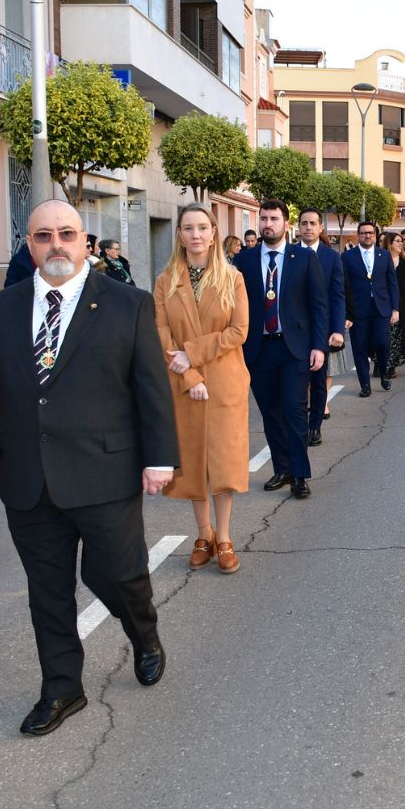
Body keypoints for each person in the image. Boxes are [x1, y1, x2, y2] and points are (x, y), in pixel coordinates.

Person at [0, 199, 178, 736]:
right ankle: (61, 689)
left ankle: (144, 634)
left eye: (67, 234)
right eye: (44, 235)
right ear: (29, 245)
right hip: (28, 479)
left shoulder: (127, 304)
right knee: (47, 589)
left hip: (105, 473)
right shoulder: (1, 310)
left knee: (119, 575)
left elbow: (151, 390)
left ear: (85, 243)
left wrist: (160, 458)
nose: (57, 244)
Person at [154, 204, 250, 574]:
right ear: (179, 234)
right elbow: (161, 334)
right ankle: (203, 534)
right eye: (187, 228)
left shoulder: (233, 278)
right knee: (193, 462)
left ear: (213, 233)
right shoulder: (166, 281)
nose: (195, 235)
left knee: (222, 463)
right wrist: (189, 375)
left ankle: (224, 537)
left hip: (224, 381)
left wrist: (191, 354)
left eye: (202, 228)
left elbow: (238, 331)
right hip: (182, 381)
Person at [233, 199, 328, 500]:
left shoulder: (303, 258)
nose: (267, 224)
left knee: (294, 410)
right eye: (263, 219)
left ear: (287, 224)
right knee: (270, 413)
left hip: (294, 348)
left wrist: (318, 346)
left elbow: (318, 305)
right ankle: (282, 468)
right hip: (258, 350)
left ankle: (300, 474)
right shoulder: (244, 261)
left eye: (274, 218)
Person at [297, 209, 346, 446]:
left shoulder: (331, 257)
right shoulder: (290, 254)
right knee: (295, 381)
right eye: (304, 223)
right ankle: (296, 426)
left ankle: (314, 426)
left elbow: (337, 295)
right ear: (298, 227)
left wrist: (337, 329)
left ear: (320, 228)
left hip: (321, 330)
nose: (308, 227)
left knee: (317, 381)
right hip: (293, 330)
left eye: (312, 223)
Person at [341, 221, 399, 395]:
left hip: (381, 308)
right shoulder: (347, 257)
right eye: (364, 233)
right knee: (359, 348)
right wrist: (346, 312)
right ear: (358, 235)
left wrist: (395, 309)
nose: (367, 235)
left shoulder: (384, 255)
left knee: (383, 343)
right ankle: (364, 385)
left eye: (371, 233)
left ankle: (383, 372)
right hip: (357, 311)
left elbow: (392, 283)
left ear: (375, 235)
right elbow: (344, 285)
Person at [385, 232, 405, 368]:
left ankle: (391, 366)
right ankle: (381, 363)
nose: (400, 243)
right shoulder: (382, 261)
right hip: (385, 305)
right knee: (385, 337)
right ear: (389, 243)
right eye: (397, 241)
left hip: (404, 306)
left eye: (401, 241)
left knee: (398, 337)